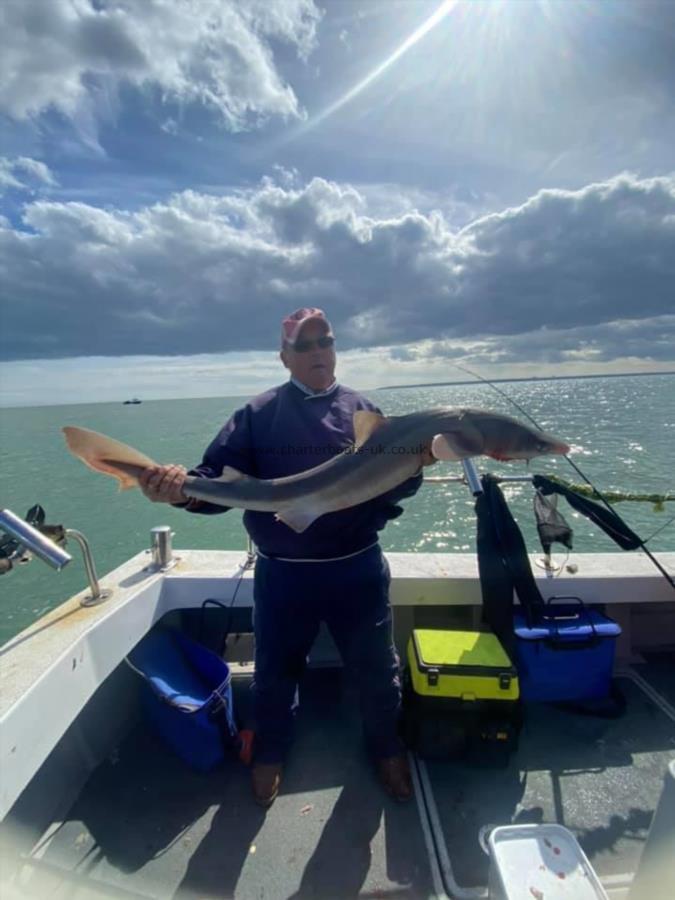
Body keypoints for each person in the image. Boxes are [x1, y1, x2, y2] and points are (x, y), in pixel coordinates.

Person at [139, 307, 435, 807]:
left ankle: (387, 749)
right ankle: (270, 753)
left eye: (326, 341)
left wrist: (416, 465)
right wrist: (177, 492)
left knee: (376, 668)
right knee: (275, 671)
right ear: (285, 357)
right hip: (283, 574)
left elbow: (394, 491)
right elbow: (216, 483)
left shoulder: (366, 413)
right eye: (305, 345)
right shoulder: (256, 415)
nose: (318, 352)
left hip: (356, 565)